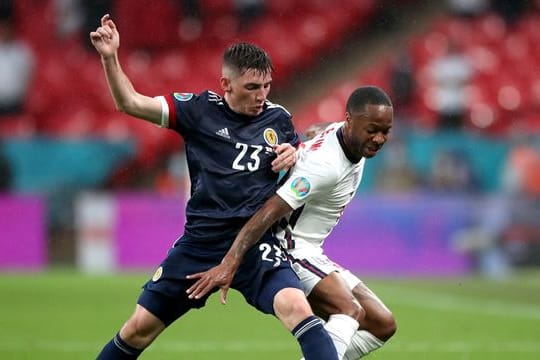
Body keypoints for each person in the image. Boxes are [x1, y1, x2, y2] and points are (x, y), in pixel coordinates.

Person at [90, 14, 339, 359]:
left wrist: (293, 154)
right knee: (137, 330)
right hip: (201, 244)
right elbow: (129, 102)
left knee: (297, 308)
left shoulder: (278, 119)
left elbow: (299, 162)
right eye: (252, 88)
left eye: (266, 86)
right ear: (226, 84)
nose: (261, 96)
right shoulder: (197, 111)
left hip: (254, 244)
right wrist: (110, 56)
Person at [187, 86, 397, 359]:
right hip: (289, 248)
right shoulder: (325, 167)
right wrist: (230, 262)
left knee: (382, 324)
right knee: (349, 310)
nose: (379, 138)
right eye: (372, 130)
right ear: (349, 121)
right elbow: (268, 212)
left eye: (386, 131)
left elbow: (319, 131)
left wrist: (306, 140)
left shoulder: (346, 137)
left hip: (312, 251)